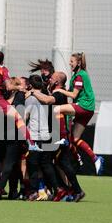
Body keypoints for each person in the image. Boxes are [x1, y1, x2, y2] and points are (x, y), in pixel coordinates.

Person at [31, 71, 86, 202]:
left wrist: (33, 92)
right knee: (60, 162)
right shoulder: (58, 92)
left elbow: (47, 100)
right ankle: (71, 190)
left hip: (58, 134)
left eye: (52, 77)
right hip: (58, 133)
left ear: (57, 82)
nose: (49, 79)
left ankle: (64, 189)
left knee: (46, 161)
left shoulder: (59, 93)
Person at [53, 52, 104, 175]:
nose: (70, 63)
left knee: (56, 110)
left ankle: (63, 138)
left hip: (84, 105)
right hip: (88, 109)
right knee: (75, 139)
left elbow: (74, 95)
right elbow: (71, 92)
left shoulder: (80, 76)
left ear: (79, 63)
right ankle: (96, 159)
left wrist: (59, 90)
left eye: (72, 61)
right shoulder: (76, 76)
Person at [25, 75, 64, 201]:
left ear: (30, 85)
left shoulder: (31, 99)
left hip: (35, 136)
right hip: (46, 135)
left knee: (32, 165)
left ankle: (34, 191)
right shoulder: (45, 97)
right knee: (46, 164)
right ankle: (58, 188)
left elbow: (25, 116)